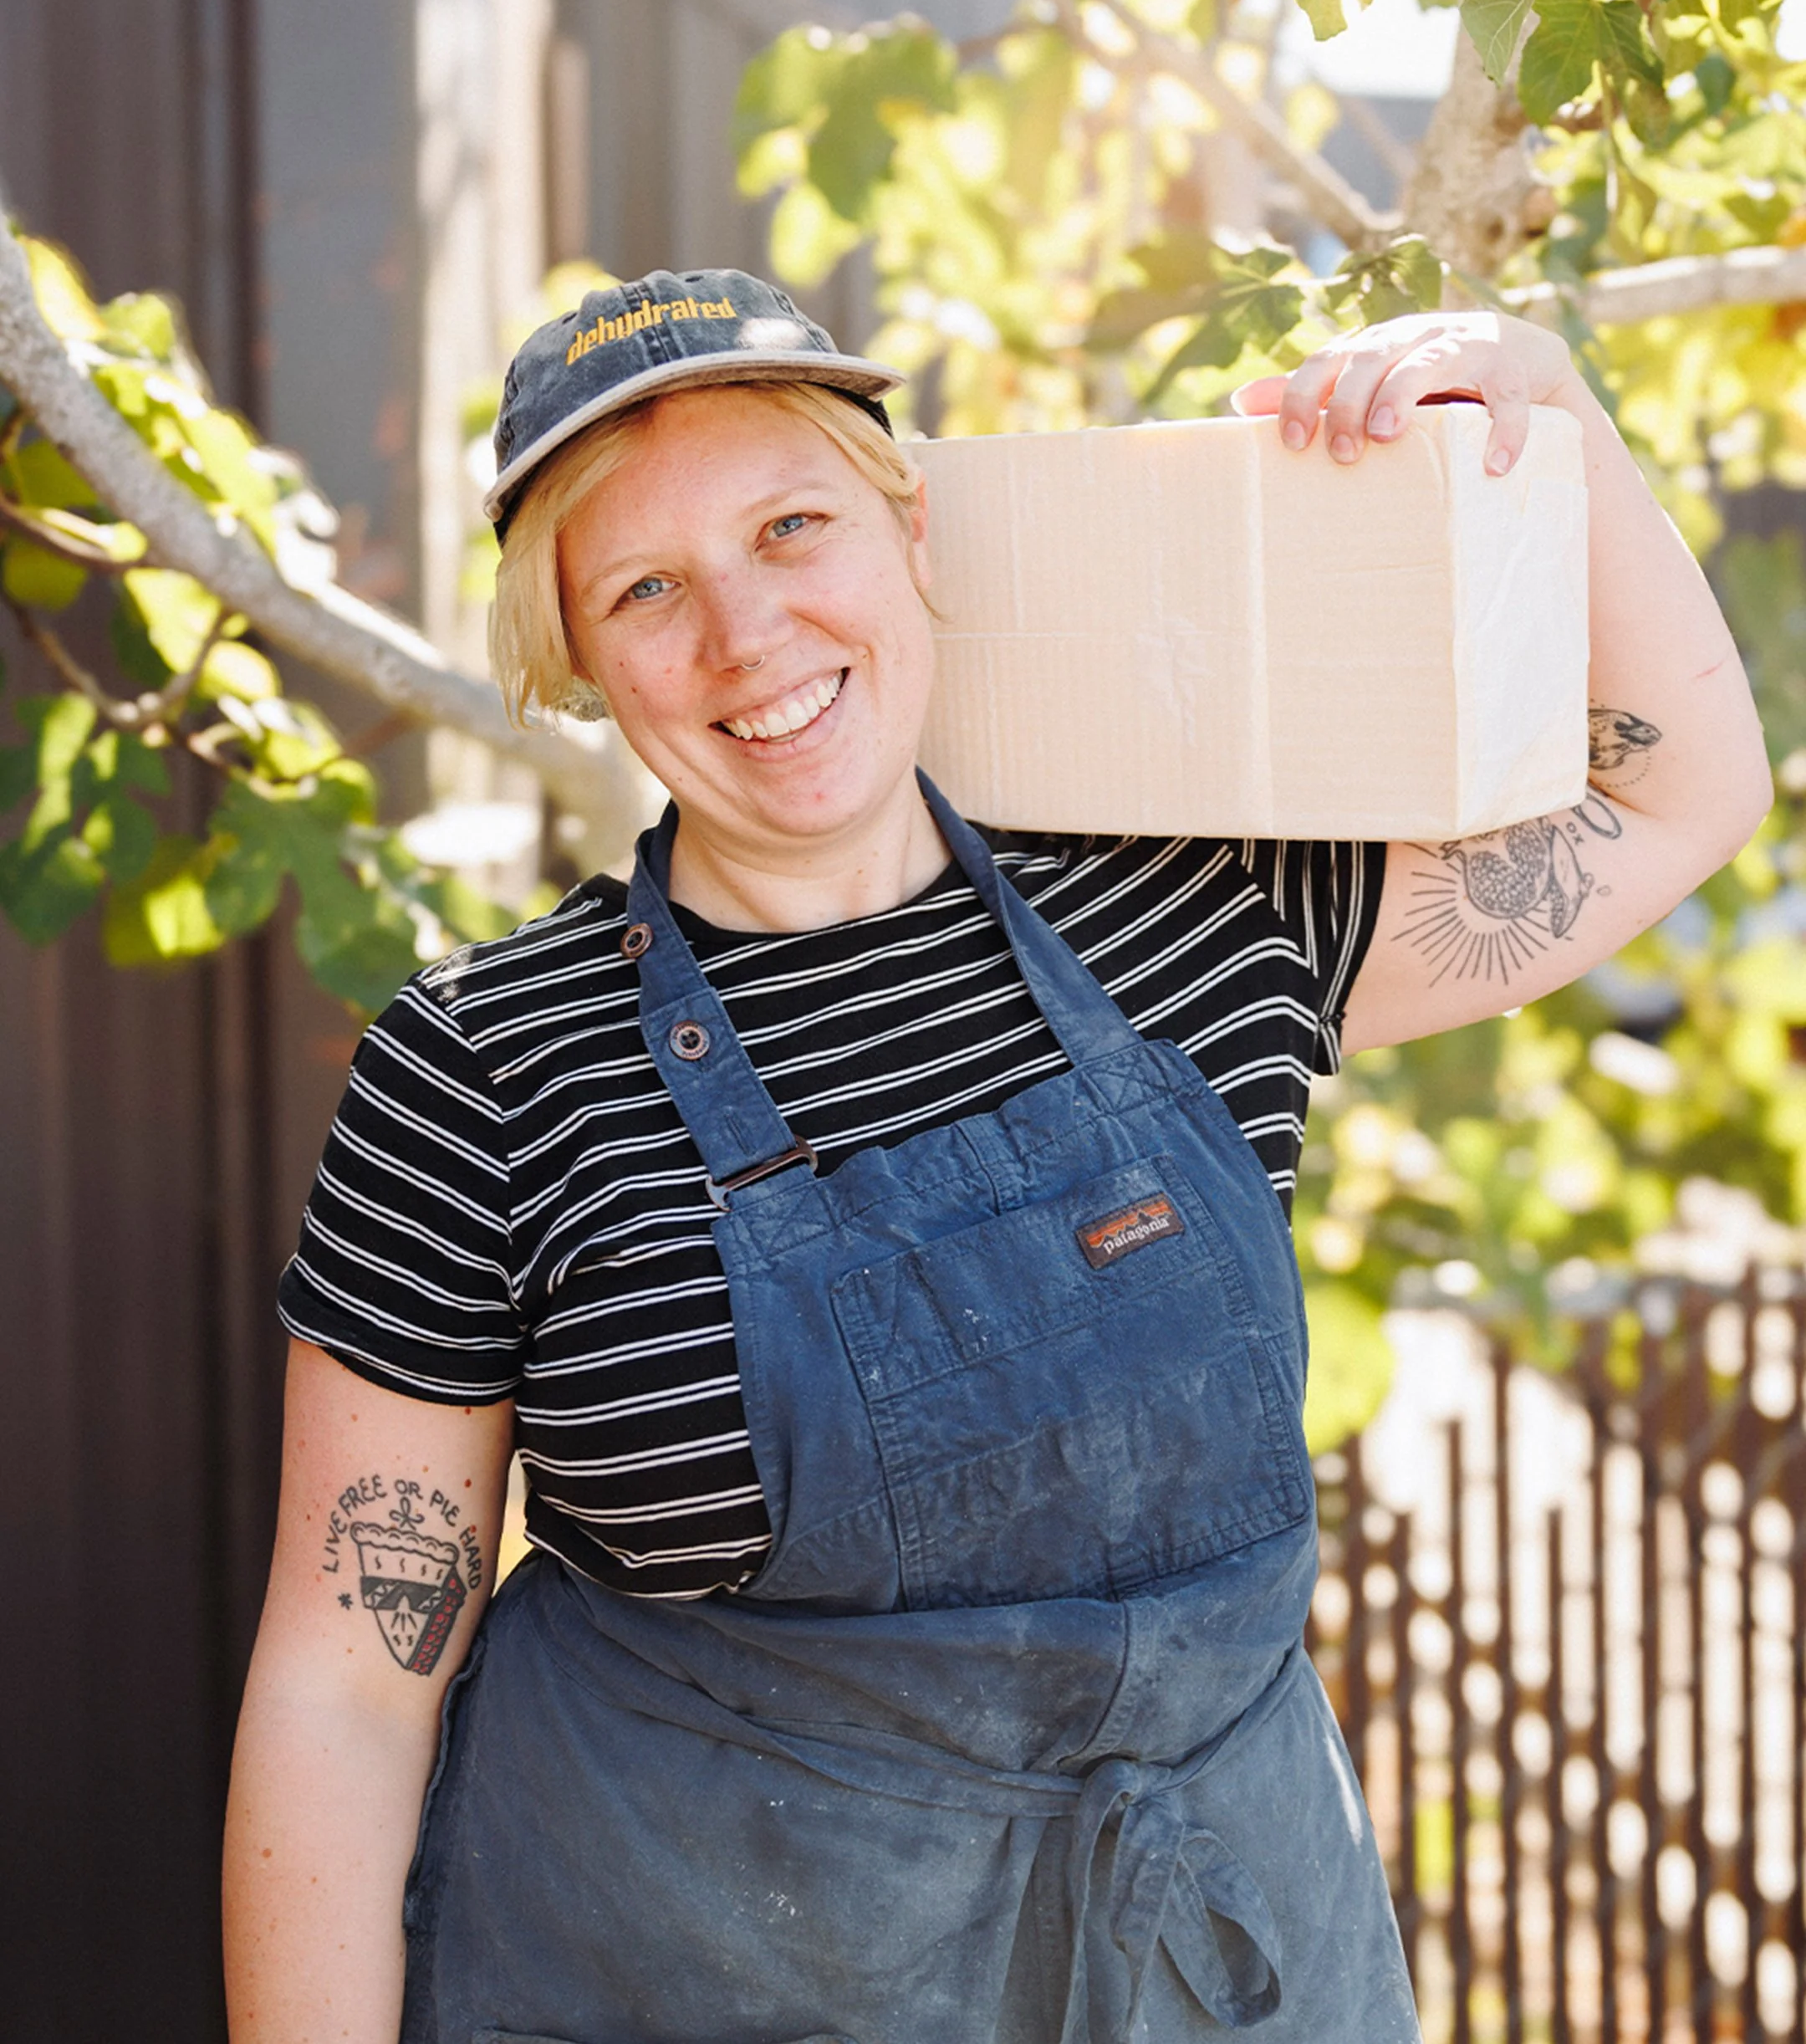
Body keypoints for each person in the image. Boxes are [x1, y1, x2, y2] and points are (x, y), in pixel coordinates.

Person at [222, 268, 1769, 2044]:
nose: (749, 637)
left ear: (912, 536)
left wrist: (1539, 395)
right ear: (575, 655)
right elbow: (347, 1685)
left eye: (794, 526)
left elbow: (1680, 789)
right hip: (682, 1980)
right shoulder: (485, 1068)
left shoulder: (1199, 913)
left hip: (1213, 1972)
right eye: (648, 588)